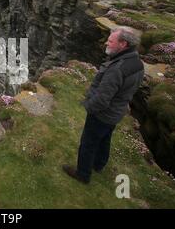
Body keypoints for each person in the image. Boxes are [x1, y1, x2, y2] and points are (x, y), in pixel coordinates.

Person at [62, 26, 145, 184]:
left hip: (103, 114)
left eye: (111, 40)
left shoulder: (117, 69)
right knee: (105, 138)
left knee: (88, 143)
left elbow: (102, 99)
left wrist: (89, 107)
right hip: (117, 112)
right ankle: (99, 164)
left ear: (123, 44)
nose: (106, 42)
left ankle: (83, 174)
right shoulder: (137, 63)